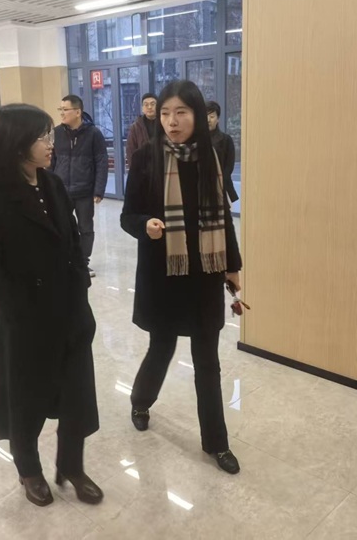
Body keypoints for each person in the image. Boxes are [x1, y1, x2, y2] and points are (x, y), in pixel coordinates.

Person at [0, 103, 103, 508]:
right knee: (25, 403)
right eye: (42, 137)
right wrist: (20, 309)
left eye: (49, 134)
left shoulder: (53, 184)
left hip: (68, 313)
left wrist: (80, 293)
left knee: (76, 398)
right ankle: (29, 470)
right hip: (21, 323)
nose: (50, 143)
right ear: (16, 143)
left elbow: (73, 245)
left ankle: (72, 466)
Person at [121, 80, 243, 475]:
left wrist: (232, 265)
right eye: (166, 113)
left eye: (181, 113)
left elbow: (223, 218)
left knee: (208, 360)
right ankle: (140, 402)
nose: (172, 122)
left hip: (204, 273)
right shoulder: (146, 158)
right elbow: (128, 216)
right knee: (162, 346)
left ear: (197, 116)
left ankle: (217, 443)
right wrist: (146, 225)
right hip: (164, 273)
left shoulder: (211, 157)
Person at [51, 95, 108, 277]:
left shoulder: (94, 134)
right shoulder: (56, 133)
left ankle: (83, 262)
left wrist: (99, 190)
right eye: (60, 109)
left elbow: (101, 162)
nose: (61, 113)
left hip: (84, 191)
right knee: (62, 227)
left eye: (65, 109)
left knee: (85, 228)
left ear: (77, 112)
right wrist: (49, 186)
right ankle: (66, 260)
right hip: (62, 191)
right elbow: (51, 162)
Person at [206, 101, 239, 203]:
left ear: (218, 119)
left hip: (221, 185)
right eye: (205, 116)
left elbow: (229, 166)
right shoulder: (196, 139)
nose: (208, 120)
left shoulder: (226, 139)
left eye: (212, 116)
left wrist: (219, 182)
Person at [126, 92, 157, 168]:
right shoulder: (135, 127)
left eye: (153, 104)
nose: (149, 107)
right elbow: (130, 151)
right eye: (146, 104)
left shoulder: (165, 124)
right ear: (142, 109)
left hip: (162, 168)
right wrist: (134, 171)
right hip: (143, 169)